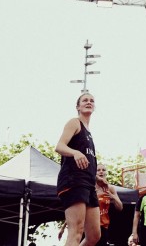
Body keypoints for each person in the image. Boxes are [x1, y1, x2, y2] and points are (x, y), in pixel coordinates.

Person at [56, 93, 100, 246]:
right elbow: (59, 146)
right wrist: (75, 152)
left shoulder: (89, 133)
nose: (89, 102)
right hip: (73, 180)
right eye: (85, 100)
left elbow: (88, 162)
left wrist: (98, 178)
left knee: (94, 236)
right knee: (76, 231)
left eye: (92, 100)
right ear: (78, 106)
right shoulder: (74, 123)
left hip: (88, 183)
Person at [94, 163, 124, 246]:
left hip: (104, 226)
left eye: (103, 170)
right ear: (94, 173)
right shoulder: (91, 188)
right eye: (98, 170)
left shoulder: (110, 188)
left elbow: (120, 207)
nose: (101, 172)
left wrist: (113, 197)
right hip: (91, 226)